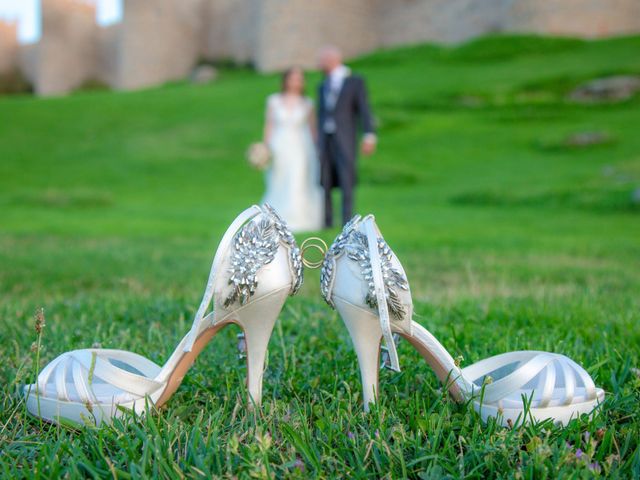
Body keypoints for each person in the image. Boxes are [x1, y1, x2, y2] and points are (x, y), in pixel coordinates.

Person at [317, 46, 376, 228]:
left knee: (346, 178)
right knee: (325, 179)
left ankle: (347, 221)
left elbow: (364, 109)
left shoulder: (354, 81)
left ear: (332, 60)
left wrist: (369, 135)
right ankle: (326, 221)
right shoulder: (322, 85)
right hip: (326, 139)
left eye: (322, 60)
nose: (319, 64)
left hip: (346, 138)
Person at [261, 67, 324, 232]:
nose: (296, 82)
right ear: (285, 81)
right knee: (278, 178)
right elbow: (269, 125)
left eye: (299, 79)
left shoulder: (307, 103)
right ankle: (275, 216)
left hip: (300, 146)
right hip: (279, 145)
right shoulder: (274, 101)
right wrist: (265, 147)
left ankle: (297, 218)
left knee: (297, 178)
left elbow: (312, 129)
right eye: (293, 78)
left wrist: (318, 148)